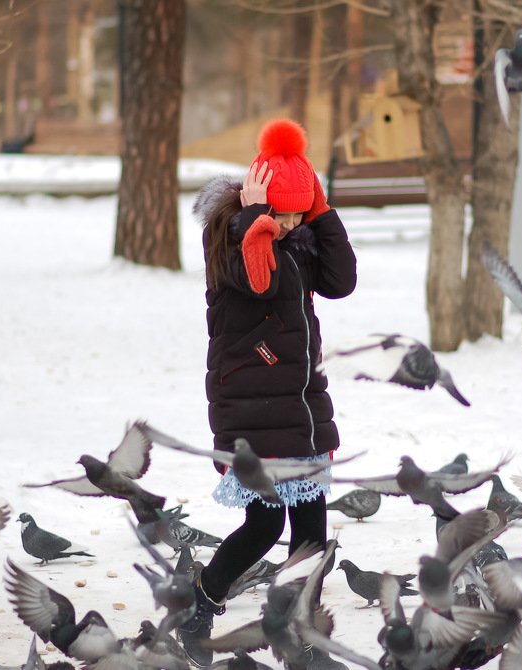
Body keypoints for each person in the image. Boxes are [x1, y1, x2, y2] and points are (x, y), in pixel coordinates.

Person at [180, 118, 357, 667]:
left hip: (299, 407)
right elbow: (263, 281)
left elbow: (342, 280)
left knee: (311, 531)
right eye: (287, 212)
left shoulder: (292, 237)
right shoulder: (237, 245)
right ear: (261, 204)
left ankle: (300, 627)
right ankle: (201, 604)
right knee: (264, 524)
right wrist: (259, 218)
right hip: (253, 412)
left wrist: (321, 211)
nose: (292, 223)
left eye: (300, 214)